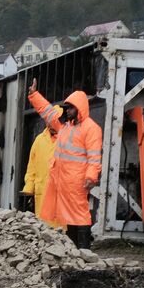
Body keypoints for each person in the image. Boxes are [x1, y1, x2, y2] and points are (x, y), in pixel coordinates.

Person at [26, 78, 103, 248]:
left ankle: (83, 248)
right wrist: (34, 95)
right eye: (67, 108)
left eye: (70, 108)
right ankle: (74, 249)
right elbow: (47, 112)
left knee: (79, 215)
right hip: (61, 181)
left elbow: (94, 156)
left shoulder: (91, 129)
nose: (67, 111)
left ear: (79, 109)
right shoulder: (66, 127)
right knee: (68, 217)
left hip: (76, 181)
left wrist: (91, 176)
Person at [20, 124, 63, 230]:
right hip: (42, 191)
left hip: (60, 191)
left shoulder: (68, 139)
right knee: (43, 227)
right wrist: (29, 187)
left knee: (59, 228)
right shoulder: (39, 140)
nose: (52, 125)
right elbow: (32, 166)